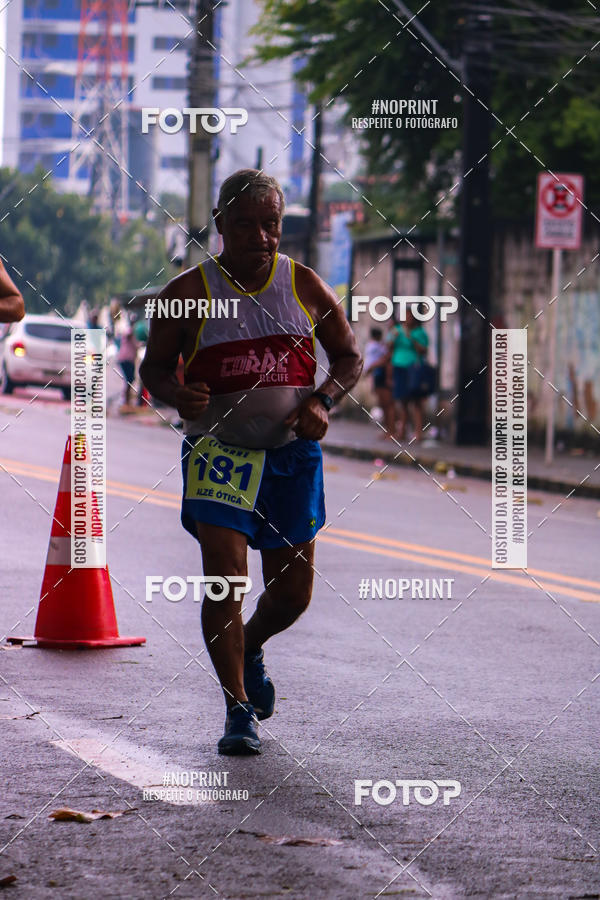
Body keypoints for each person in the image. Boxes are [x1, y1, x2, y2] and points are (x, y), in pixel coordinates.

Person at [140, 169, 362, 756]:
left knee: (291, 596)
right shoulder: (188, 293)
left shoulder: (304, 285)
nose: (262, 238)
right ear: (220, 227)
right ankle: (238, 710)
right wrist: (174, 392)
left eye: (272, 226)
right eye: (246, 226)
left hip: (291, 456)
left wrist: (322, 399)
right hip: (220, 453)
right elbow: (152, 369)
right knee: (226, 577)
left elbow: (347, 357)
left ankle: (253, 643)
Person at [388, 308, 429, 441]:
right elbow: (388, 346)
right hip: (399, 366)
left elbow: (424, 350)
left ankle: (418, 433)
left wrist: (411, 338)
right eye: (406, 316)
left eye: (410, 316)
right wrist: (394, 336)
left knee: (416, 401)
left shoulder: (419, 332)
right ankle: (402, 431)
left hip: (414, 368)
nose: (408, 319)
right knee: (402, 400)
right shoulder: (397, 330)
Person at [363, 327, 394, 438]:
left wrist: (371, 367)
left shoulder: (378, 347)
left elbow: (386, 358)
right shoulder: (378, 347)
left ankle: (391, 430)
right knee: (383, 404)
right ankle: (388, 430)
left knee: (388, 404)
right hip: (377, 374)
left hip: (382, 374)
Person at [117, 320, 138, 406]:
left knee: (131, 380)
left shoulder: (134, 335)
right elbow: (128, 335)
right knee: (129, 380)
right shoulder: (129, 331)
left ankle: (127, 399)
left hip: (130, 360)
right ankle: (126, 400)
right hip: (125, 359)